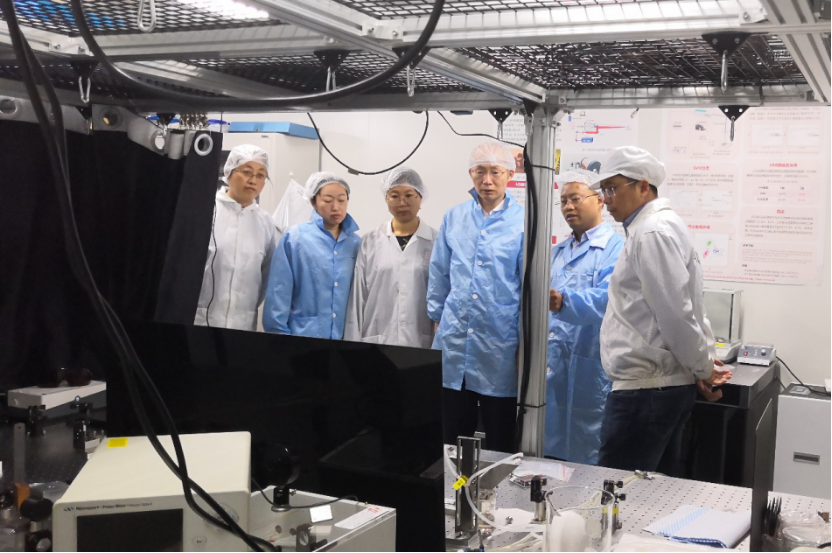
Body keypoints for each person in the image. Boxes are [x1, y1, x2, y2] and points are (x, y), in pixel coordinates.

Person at [590, 146, 732, 476]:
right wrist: (700, 365)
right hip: (657, 389)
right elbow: (690, 306)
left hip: (646, 393)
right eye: (603, 190)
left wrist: (702, 367)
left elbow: (676, 314)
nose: (607, 199)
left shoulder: (652, 232)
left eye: (613, 188)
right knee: (653, 493)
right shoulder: (657, 227)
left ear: (643, 186)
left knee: (620, 492)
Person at [428, 142, 525, 454]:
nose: (487, 180)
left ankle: (498, 488)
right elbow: (439, 271)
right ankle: (451, 486)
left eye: (495, 172)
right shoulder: (454, 217)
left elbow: (528, 284)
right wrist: (437, 318)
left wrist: (524, 341)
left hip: (500, 343)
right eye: (480, 171)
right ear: (470, 173)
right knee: (451, 438)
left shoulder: (524, 221)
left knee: (500, 439)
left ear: (510, 175)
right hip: (454, 341)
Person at [546, 170, 625, 465]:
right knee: (548, 452)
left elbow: (608, 299)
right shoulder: (555, 253)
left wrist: (564, 302)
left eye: (576, 199)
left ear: (600, 200)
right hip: (552, 364)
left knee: (588, 451)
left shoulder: (616, 249)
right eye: (564, 201)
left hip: (591, 363)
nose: (568, 206)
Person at [345, 167, 437, 348]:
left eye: (409, 195)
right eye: (394, 196)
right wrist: (351, 348)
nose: (402, 202)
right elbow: (357, 297)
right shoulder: (370, 241)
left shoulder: (436, 242)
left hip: (421, 343)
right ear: (386, 199)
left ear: (420, 198)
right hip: (376, 342)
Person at [263, 172, 361, 340]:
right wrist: (280, 339)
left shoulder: (356, 244)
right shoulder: (295, 239)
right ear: (313, 202)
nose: (336, 207)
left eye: (341, 200)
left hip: (345, 341)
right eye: (328, 200)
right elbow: (278, 294)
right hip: (302, 338)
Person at [194, 144, 276, 331]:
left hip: (243, 324)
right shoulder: (205, 211)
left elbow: (266, 274)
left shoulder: (266, 223)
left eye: (260, 175)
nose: (253, 180)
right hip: (201, 319)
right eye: (247, 172)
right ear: (228, 172)